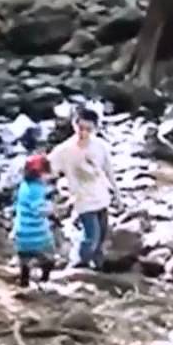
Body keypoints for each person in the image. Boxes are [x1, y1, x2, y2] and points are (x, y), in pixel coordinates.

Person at [49, 107, 117, 269]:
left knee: (101, 238)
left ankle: (98, 268)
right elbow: (48, 169)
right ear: (74, 124)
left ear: (95, 129)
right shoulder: (64, 150)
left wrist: (117, 194)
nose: (84, 133)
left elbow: (109, 170)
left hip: (102, 197)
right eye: (81, 128)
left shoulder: (100, 146)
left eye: (89, 129)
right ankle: (79, 265)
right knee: (91, 237)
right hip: (83, 200)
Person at [12, 154, 56, 287]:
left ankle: (24, 281)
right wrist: (51, 211)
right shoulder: (37, 189)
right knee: (49, 258)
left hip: (21, 230)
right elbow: (39, 210)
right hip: (37, 233)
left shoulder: (23, 186)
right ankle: (44, 281)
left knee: (24, 259)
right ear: (39, 173)